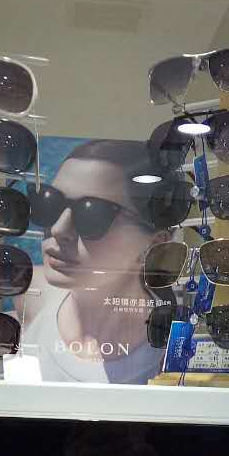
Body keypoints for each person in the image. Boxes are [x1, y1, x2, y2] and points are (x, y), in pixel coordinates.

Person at [19, 139, 172, 384]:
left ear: (154, 245)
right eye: (50, 203)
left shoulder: (172, 349)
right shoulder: (30, 293)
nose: (58, 229)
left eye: (92, 214)